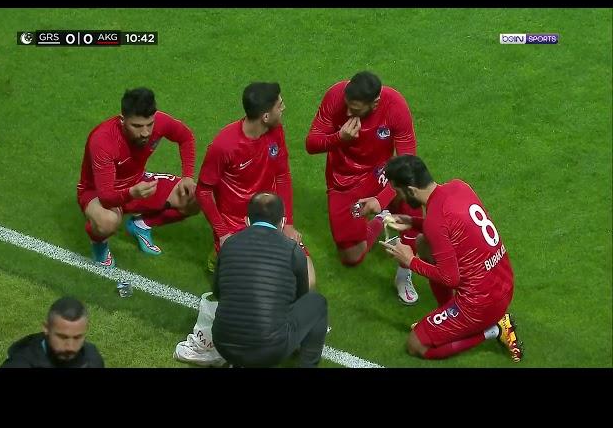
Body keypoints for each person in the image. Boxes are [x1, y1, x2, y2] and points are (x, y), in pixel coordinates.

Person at [380, 155, 523, 362]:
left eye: (398, 192)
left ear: (411, 190)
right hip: (503, 283)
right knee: (423, 242)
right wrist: (412, 221)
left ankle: (493, 330)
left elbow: (450, 279)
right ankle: (446, 315)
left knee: (415, 345)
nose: (399, 198)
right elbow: (450, 227)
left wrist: (410, 261)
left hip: (480, 304)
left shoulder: (436, 220)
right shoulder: (458, 187)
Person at [305, 71, 422, 304]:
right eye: (347, 106)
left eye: (356, 109)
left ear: (375, 103)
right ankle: (381, 219)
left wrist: (383, 196)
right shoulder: (335, 96)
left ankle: (404, 273)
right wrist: (338, 138)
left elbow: (409, 162)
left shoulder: (394, 106)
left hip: (380, 173)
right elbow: (311, 143)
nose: (348, 112)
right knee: (351, 257)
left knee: (413, 198)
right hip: (343, 180)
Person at [77, 87, 199, 268]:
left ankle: (141, 225)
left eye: (149, 124)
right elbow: (106, 196)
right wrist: (132, 193)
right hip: (97, 191)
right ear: (122, 120)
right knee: (107, 221)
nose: (145, 133)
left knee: (197, 196)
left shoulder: (159, 122)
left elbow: (186, 137)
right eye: (137, 126)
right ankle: (99, 244)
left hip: (136, 183)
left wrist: (188, 176)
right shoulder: (103, 140)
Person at [196, 82, 308, 276]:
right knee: (254, 280)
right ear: (265, 116)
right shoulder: (224, 145)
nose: (284, 108)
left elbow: (282, 175)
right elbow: (203, 191)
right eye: (279, 105)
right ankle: (219, 256)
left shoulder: (276, 131)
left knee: (304, 272)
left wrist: (287, 223)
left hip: (269, 216)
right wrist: (223, 234)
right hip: (235, 223)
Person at [212, 192, 327, 368]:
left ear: (247, 221)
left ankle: (238, 362)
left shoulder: (229, 244)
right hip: (268, 350)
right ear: (282, 222)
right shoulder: (293, 250)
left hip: (223, 343)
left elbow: (217, 292)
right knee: (317, 303)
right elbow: (301, 298)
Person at [1, 297, 104, 368]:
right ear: (46, 328)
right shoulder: (21, 363)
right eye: (62, 337)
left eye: (77, 337)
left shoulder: (92, 360)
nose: (70, 347)